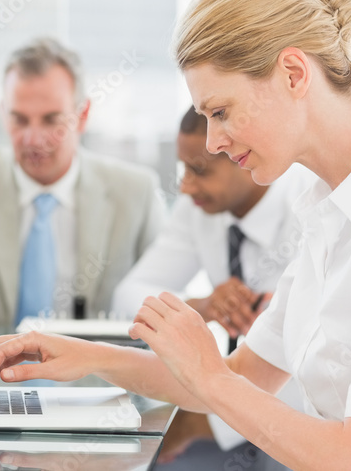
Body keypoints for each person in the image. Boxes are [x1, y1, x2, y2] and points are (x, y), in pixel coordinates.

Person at [0, 0, 351, 469]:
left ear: (294, 74)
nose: (213, 142)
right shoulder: (333, 207)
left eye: (221, 112)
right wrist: (88, 355)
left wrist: (210, 374)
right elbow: (243, 376)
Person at [0, 37, 165, 335]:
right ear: (3, 113)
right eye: (20, 120)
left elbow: (162, 293)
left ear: (82, 115)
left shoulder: (135, 193)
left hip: (95, 376)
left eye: (51, 120)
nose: (34, 138)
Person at [112, 104, 311, 456]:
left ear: (243, 157)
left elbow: (316, 368)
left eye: (198, 170)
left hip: (301, 421)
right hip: (227, 403)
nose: (186, 186)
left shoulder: (309, 208)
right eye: (183, 168)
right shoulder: (199, 209)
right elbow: (128, 296)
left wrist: (194, 423)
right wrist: (200, 307)